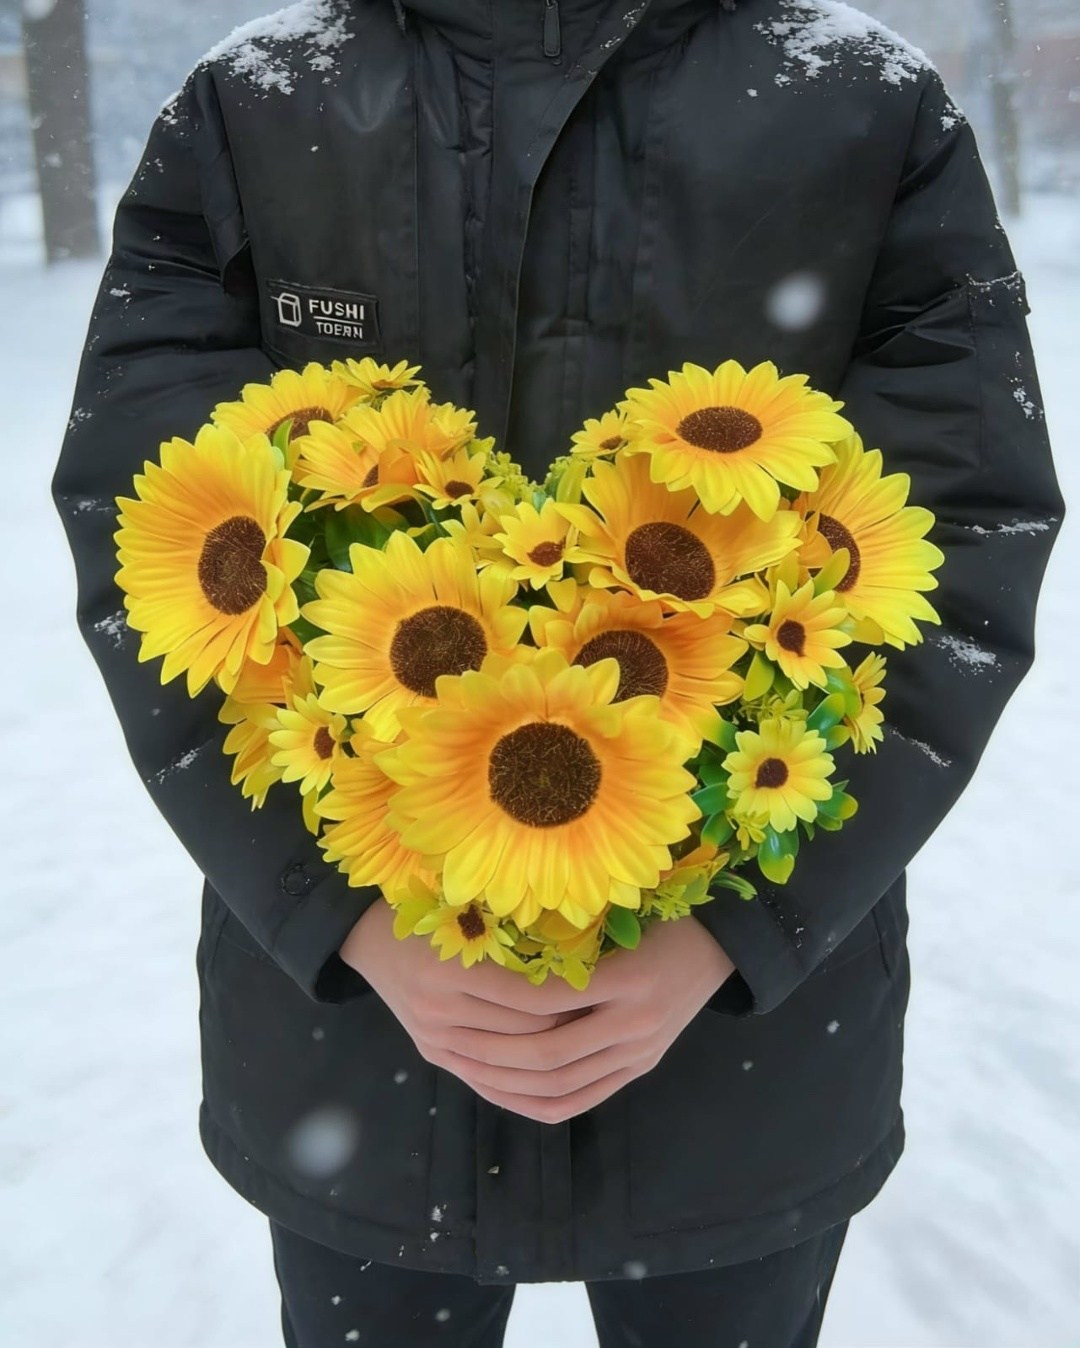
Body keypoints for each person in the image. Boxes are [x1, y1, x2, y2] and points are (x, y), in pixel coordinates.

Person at [50, 1, 1063, 1344]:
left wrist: (739, 931)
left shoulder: (866, 106)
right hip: (364, 1046)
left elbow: (963, 535)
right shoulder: (256, 108)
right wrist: (337, 919)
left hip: (736, 1063)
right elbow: (150, 545)